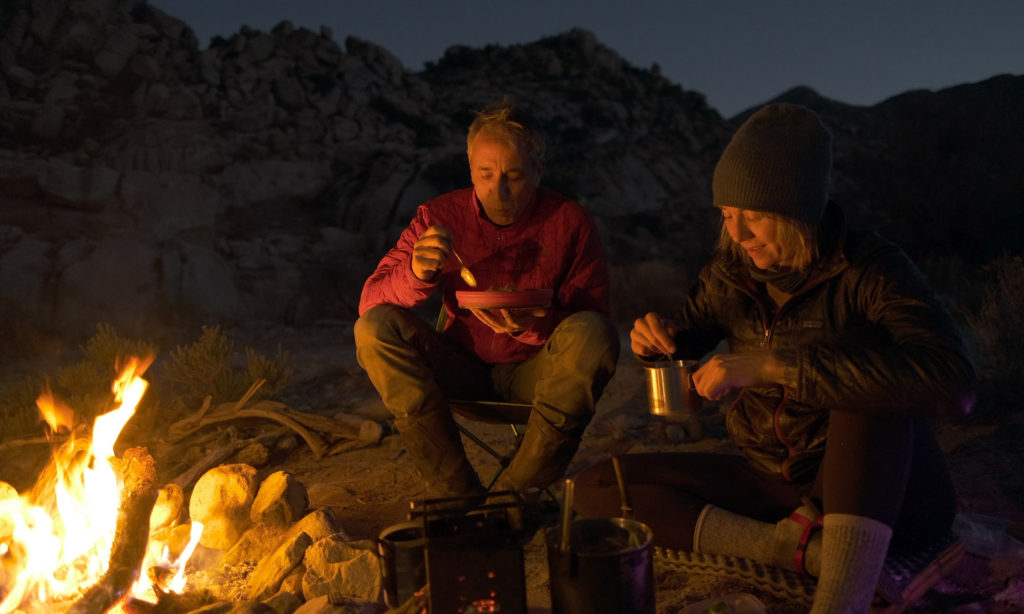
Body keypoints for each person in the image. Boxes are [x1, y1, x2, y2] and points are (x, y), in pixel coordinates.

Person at [572, 103, 976, 613]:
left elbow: (953, 385)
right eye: (727, 215)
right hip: (773, 481)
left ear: (797, 210)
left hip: (874, 486)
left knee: (863, 376)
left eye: (755, 216)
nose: (738, 235)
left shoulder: (870, 270)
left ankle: (840, 600)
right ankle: (794, 550)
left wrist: (775, 366)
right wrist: (656, 342)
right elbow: (688, 337)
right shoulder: (732, 269)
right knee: (599, 487)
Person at [354, 99, 619, 507]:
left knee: (595, 335)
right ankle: (456, 496)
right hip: (463, 368)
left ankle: (513, 497)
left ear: (538, 171)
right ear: (471, 171)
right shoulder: (439, 217)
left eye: (513, 175)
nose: (499, 190)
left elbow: (591, 321)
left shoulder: (568, 221)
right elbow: (370, 300)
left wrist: (531, 326)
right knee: (374, 329)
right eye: (485, 174)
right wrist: (416, 272)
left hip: (537, 373)